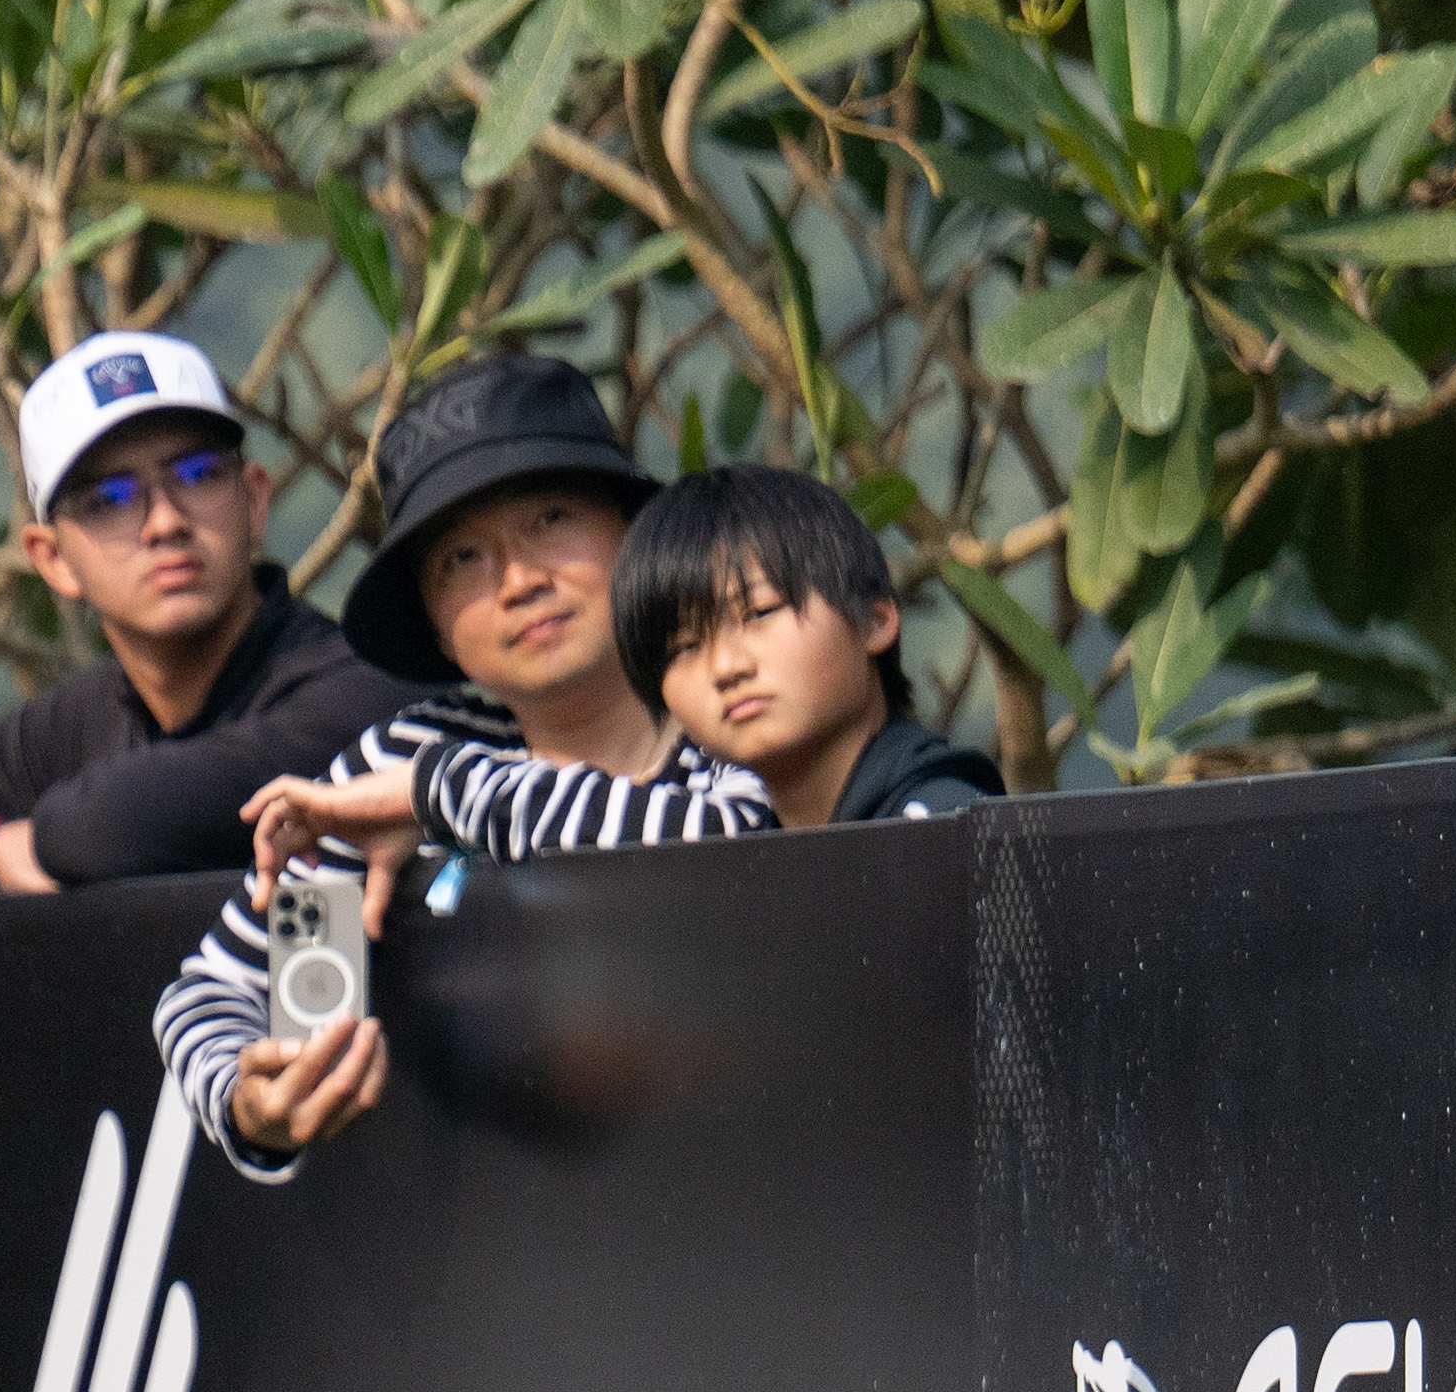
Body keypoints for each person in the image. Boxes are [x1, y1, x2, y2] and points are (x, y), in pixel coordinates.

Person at [153, 352, 771, 1180]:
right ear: (438, 629)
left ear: (636, 535)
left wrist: (436, 795)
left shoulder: (735, 711)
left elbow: (732, 847)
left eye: (550, 518)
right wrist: (248, 1100)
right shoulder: (401, 755)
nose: (519, 579)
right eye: (462, 560)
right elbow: (207, 990)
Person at [0, 327, 403, 906]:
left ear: (255, 500)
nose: (164, 522)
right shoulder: (83, 718)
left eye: (196, 475)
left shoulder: (364, 686)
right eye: (109, 499)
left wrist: (39, 840)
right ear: (53, 560)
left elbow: (109, 827)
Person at [618, 468, 1002, 826]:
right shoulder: (740, 864)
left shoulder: (943, 833)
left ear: (875, 620)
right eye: (684, 647)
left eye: (759, 612)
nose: (725, 667)